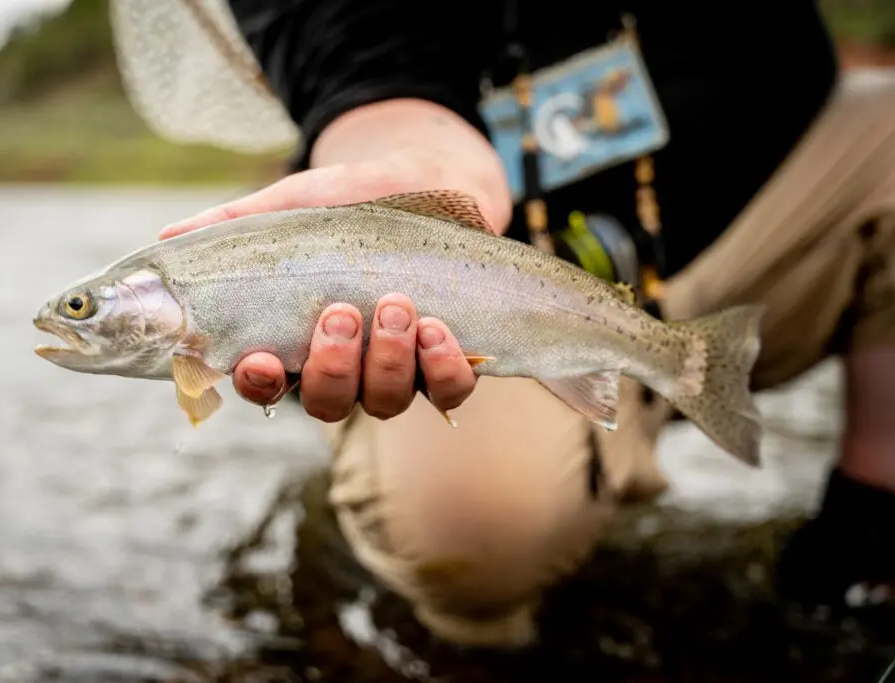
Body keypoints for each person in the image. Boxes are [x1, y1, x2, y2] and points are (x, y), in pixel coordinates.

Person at [157, 1, 895, 647]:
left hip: (771, 208)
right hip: (496, 297)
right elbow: (350, 44)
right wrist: (417, 156)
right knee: (468, 540)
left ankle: (865, 537)